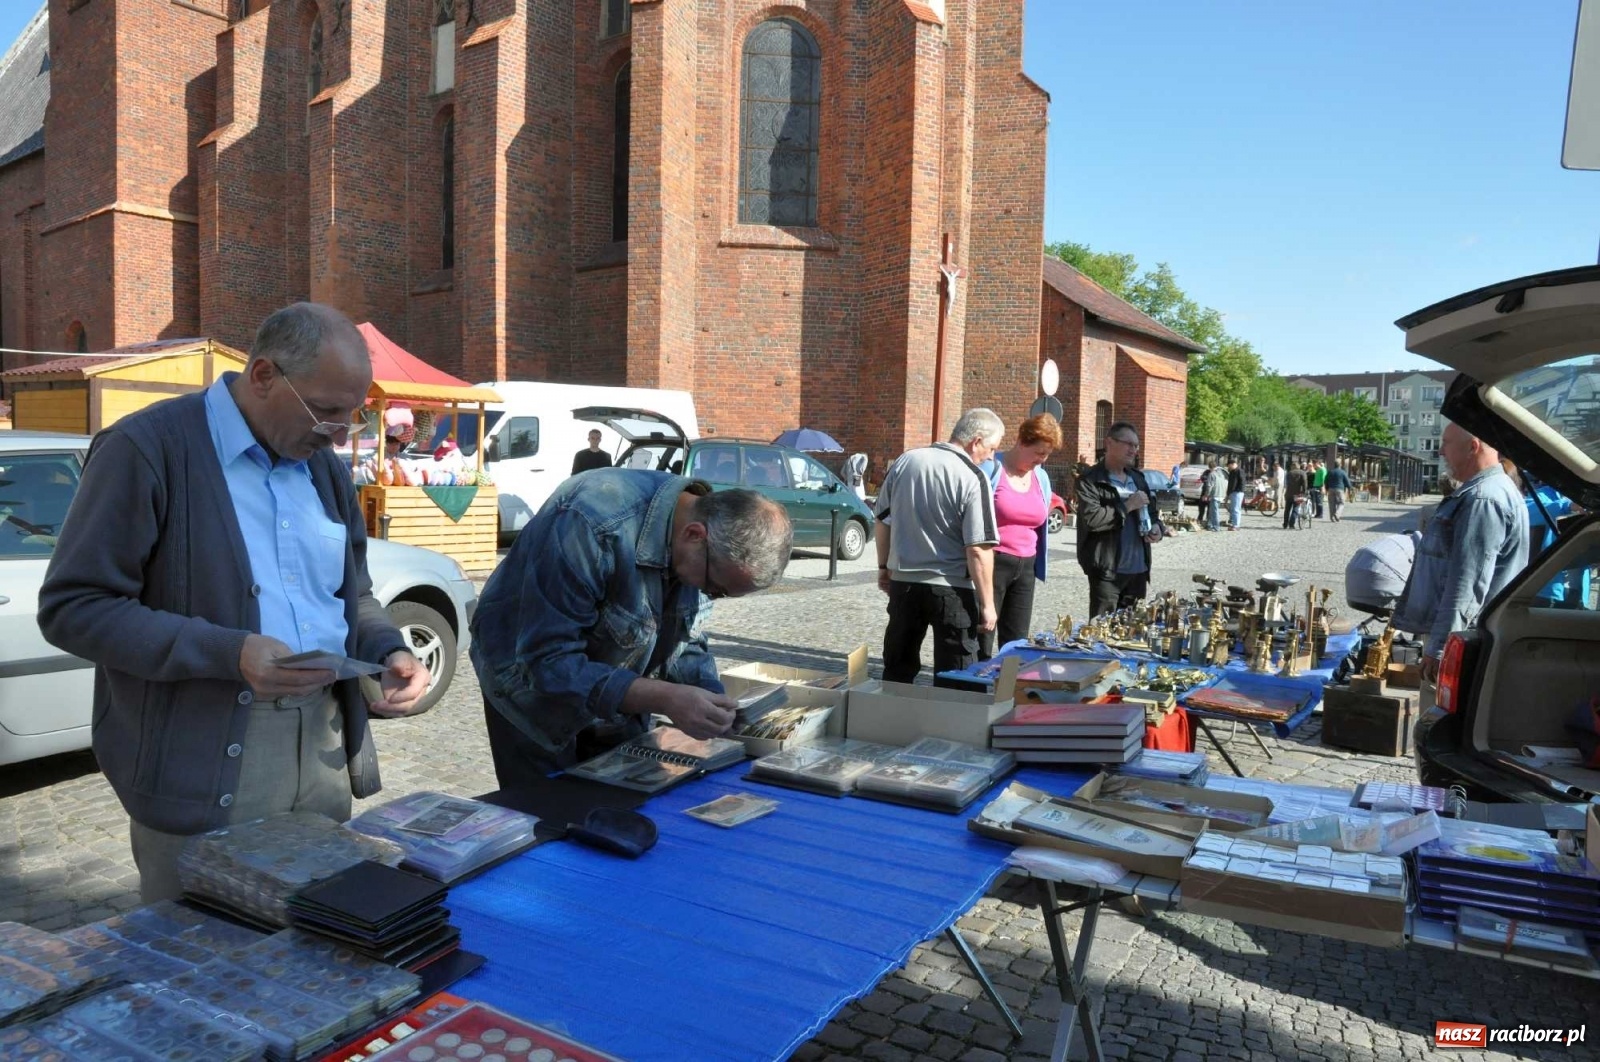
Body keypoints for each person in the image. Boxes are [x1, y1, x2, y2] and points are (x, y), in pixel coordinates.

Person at [36, 303, 432, 902]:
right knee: (203, 948)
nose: (337, 433)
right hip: (203, 756)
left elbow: (351, 593)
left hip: (321, 748)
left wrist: (387, 648)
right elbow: (74, 607)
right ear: (264, 375)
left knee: (322, 938)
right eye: (325, 410)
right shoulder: (147, 448)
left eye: (350, 414)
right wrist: (229, 651)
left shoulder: (322, 469)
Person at [471, 471, 793, 784]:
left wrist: (711, 700)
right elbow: (547, 661)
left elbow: (686, 639)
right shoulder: (589, 522)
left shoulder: (701, 543)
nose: (710, 594)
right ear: (695, 535)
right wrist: (666, 698)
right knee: (549, 811)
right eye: (715, 587)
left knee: (619, 802)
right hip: (529, 695)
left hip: (614, 693)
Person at [1393, 423, 1527, 685]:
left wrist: (1441, 647)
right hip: (1464, 636)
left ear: (1473, 447)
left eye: (1446, 443)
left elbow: (1467, 582)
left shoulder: (1483, 500)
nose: (1441, 451)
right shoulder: (1487, 492)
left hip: (1463, 641)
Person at [875, 408, 1002, 684]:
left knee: (896, 673)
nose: (991, 456)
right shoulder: (972, 475)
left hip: (904, 585)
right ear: (976, 441)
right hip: (952, 588)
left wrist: (883, 566)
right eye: (992, 448)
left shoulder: (906, 460)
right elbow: (978, 548)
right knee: (958, 681)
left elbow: (882, 521)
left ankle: (892, 712)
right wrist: (988, 604)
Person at [977, 413, 1061, 656]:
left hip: (1026, 566)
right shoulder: (990, 468)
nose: (1042, 459)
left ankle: (1010, 681)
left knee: (1016, 642)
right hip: (992, 562)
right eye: (1039, 452)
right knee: (982, 634)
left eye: (1047, 454)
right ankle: (977, 680)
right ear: (1022, 442)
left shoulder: (1041, 477)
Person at [1076, 421, 1166, 618]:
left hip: (1138, 572)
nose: (1134, 450)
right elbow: (1092, 519)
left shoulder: (1138, 479)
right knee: (1102, 631)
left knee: (1134, 629)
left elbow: (1153, 514)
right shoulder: (1090, 480)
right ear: (1109, 443)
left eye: (1136, 445)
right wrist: (1127, 506)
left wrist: (1158, 529)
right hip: (1107, 573)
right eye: (1129, 444)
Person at [1283, 460, 1308, 530]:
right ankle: (1291, 524)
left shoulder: (1289, 473)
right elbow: (1304, 484)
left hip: (1288, 493)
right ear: (1299, 466)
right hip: (1297, 493)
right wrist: (1304, 492)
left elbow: (1286, 484)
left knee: (1287, 509)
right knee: (1295, 508)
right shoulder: (1302, 473)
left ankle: (1285, 524)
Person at [1206, 462, 1228, 532]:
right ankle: (1210, 524)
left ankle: (1216, 527)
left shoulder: (1212, 474)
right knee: (1212, 511)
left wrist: (1206, 495)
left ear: (1209, 467)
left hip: (1215, 495)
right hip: (1221, 495)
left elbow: (1210, 486)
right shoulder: (1221, 474)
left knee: (1214, 512)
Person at [1225, 457, 1245, 530]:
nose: (1228, 467)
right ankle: (1234, 523)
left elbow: (1238, 483)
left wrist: (1230, 493)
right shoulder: (1233, 471)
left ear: (1233, 464)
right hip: (1234, 492)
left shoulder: (1239, 471)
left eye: (1229, 465)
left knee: (1236, 509)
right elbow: (1230, 484)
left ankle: (1236, 525)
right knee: (1234, 509)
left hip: (1237, 492)